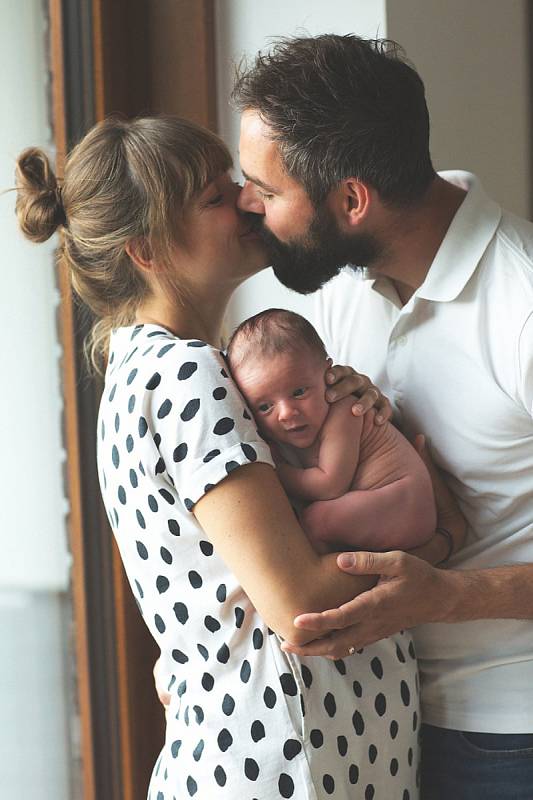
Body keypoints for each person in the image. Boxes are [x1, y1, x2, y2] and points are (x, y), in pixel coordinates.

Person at [14, 116, 462, 799]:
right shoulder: (186, 375)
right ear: (148, 250)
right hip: (285, 762)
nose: (248, 201)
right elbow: (299, 605)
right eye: (215, 198)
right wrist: (439, 542)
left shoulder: (158, 370)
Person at [233, 33, 533, 799]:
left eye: (264, 190)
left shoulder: (523, 307)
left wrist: (449, 595)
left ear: (351, 199)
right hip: (373, 715)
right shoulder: (336, 294)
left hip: (507, 736)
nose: (246, 205)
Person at [227, 307, 436, 553]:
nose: (286, 413)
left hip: (403, 503)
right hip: (380, 508)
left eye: (299, 392)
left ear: (329, 374)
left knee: (316, 520)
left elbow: (329, 485)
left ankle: (319, 576)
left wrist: (276, 472)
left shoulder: (346, 411)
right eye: (264, 407)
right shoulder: (283, 427)